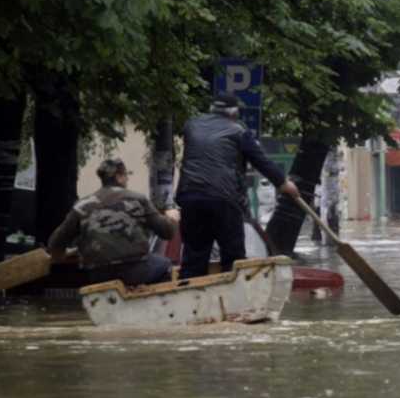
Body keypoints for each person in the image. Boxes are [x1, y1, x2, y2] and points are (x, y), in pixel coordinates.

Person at [177, 93, 300, 279]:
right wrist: (283, 183)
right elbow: (261, 161)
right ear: (234, 112)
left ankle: (186, 296)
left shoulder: (191, 125)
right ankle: (235, 300)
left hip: (190, 198)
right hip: (223, 199)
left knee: (193, 257)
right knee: (233, 258)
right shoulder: (239, 131)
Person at [48, 158, 179, 286]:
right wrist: (172, 219)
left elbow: (55, 243)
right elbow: (167, 233)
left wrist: (59, 254)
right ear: (119, 177)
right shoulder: (138, 199)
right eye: (126, 175)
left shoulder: (81, 206)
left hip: (97, 275)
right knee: (165, 265)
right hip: (135, 269)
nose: (127, 179)